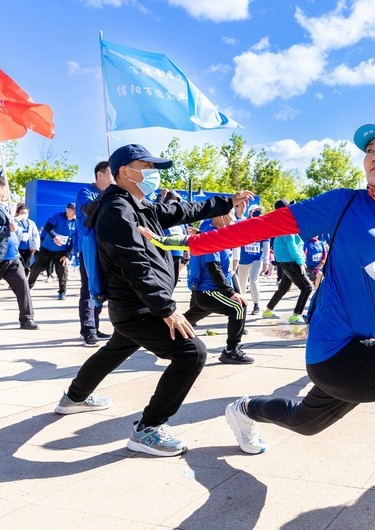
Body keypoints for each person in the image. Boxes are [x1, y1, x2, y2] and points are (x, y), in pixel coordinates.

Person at [143, 124, 375, 530]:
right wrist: (191, 244)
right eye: (370, 148)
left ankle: (244, 409)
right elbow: (266, 225)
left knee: (305, 421)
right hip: (338, 351)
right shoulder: (345, 204)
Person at [53, 144, 253, 458]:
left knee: (115, 349)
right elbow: (135, 265)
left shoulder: (138, 205)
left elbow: (183, 211)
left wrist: (227, 201)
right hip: (138, 307)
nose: (153, 174)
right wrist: (167, 309)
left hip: (134, 306)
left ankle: (74, 398)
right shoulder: (118, 211)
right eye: (146, 167)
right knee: (192, 353)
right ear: (124, 172)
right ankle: (148, 428)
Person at [184, 212, 252, 365]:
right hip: (209, 291)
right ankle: (231, 351)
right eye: (231, 214)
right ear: (221, 216)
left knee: (185, 320)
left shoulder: (211, 231)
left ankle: (161, 332)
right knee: (238, 307)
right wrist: (230, 292)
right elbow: (213, 267)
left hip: (206, 291)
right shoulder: (212, 234)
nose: (233, 219)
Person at [0, 176, 38, 330]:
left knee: (23, 285)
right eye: (6, 188)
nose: (8, 192)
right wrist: (7, 229)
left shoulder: (3, 207)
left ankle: (27, 319)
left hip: (12, 257)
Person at [76, 161, 114, 347]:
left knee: (101, 288)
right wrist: (108, 195)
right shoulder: (85, 193)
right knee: (88, 289)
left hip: (106, 249)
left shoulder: (112, 194)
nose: (114, 177)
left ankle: (95, 326)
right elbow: (88, 210)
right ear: (100, 174)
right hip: (89, 249)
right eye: (111, 173)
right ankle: (88, 331)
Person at [261, 199, 313, 324]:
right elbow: (292, 245)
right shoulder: (286, 225)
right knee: (307, 288)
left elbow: (279, 245)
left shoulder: (279, 224)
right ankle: (296, 315)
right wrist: (300, 261)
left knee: (283, 289)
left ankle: (268, 311)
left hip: (286, 263)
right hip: (292, 263)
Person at [28, 202, 77, 300]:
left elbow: (74, 240)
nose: (74, 212)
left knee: (63, 270)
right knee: (38, 268)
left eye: (76, 210)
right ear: (67, 210)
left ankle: (62, 292)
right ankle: (29, 286)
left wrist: (68, 255)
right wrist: (54, 237)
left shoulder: (77, 222)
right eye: (72, 210)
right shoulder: (57, 216)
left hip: (61, 251)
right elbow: (47, 227)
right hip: (47, 248)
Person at [236, 205, 270, 315]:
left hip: (257, 258)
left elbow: (266, 246)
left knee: (253, 280)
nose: (258, 213)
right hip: (244, 258)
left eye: (260, 212)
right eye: (256, 211)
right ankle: (241, 303)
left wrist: (266, 261)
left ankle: (256, 304)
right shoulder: (243, 224)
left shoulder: (263, 226)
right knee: (241, 282)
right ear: (250, 212)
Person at [14, 202, 40, 276]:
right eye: (22, 213)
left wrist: (34, 247)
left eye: (25, 213)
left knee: (26, 265)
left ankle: (25, 279)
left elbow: (35, 235)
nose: (24, 215)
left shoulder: (31, 223)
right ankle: (18, 279)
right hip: (17, 249)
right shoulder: (15, 223)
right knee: (18, 265)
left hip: (28, 249)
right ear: (18, 213)